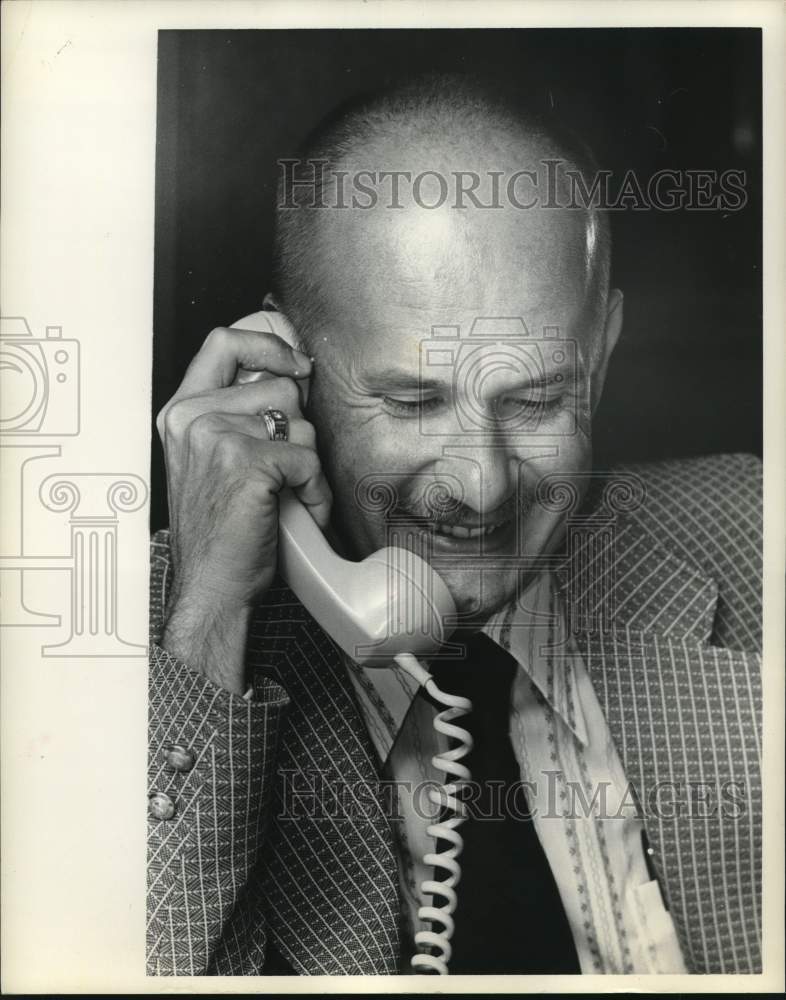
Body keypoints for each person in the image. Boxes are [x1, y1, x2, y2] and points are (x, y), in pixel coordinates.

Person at [147, 75, 762, 976]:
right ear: (281, 378)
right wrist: (209, 621)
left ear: (601, 356)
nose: (483, 484)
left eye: (538, 397)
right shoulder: (153, 646)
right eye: (412, 399)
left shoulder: (755, 533)